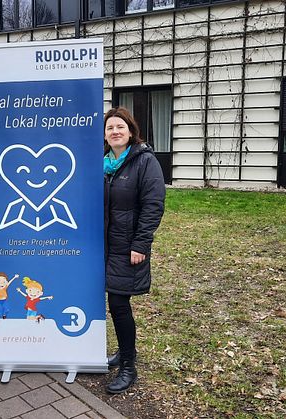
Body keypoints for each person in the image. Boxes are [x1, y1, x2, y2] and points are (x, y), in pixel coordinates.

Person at [103, 107, 165, 394]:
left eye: (120, 127)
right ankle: (122, 353)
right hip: (103, 245)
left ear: (130, 131)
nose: (115, 131)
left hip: (127, 247)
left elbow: (153, 206)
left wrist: (141, 244)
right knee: (111, 303)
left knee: (118, 303)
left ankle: (129, 365)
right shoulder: (103, 164)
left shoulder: (144, 162)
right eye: (110, 128)